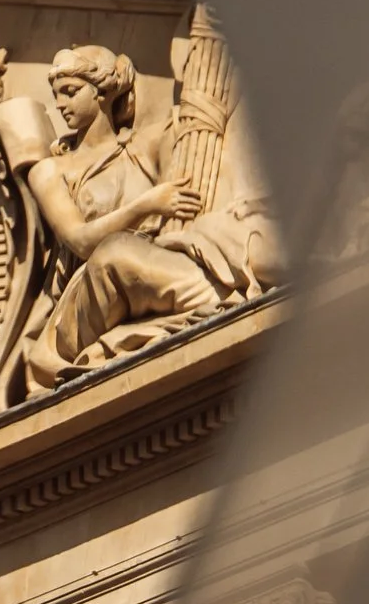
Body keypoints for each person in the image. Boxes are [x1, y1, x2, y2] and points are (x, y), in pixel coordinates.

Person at [17, 45, 252, 391]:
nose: (61, 105)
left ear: (100, 92)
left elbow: (194, 181)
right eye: (56, 96)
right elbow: (81, 241)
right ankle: (213, 297)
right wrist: (146, 205)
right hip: (94, 292)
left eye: (70, 92)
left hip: (153, 269)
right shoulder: (50, 171)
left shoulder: (149, 142)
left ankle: (219, 296)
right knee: (116, 253)